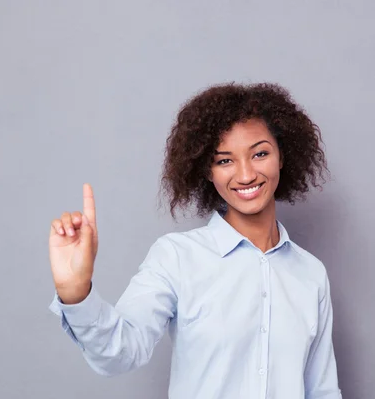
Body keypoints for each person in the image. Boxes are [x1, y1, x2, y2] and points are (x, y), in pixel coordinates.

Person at [48, 82, 342, 398]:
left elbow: (322, 390)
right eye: (224, 160)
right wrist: (75, 293)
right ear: (206, 171)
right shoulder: (176, 257)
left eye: (259, 153)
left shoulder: (311, 274)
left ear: (282, 156)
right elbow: (120, 353)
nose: (245, 175)